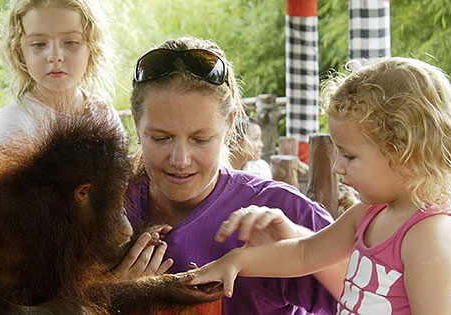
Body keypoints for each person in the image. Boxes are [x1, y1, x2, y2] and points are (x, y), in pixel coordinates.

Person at [188, 57, 451, 314]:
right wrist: (236, 261)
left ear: (404, 152)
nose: (337, 166)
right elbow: (305, 254)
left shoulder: (429, 234)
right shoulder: (369, 214)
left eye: (349, 155)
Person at [114, 36, 347, 315]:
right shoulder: (104, 208)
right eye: (161, 138)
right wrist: (108, 295)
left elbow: (382, 299)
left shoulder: (280, 209)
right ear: (137, 127)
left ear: (229, 126)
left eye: (200, 139)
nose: (180, 159)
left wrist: (300, 245)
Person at [0, 0, 122, 154]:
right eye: (39, 44)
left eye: (71, 42)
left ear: (91, 48)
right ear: (19, 52)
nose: (55, 56)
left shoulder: (103, 113)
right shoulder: (11, 125)